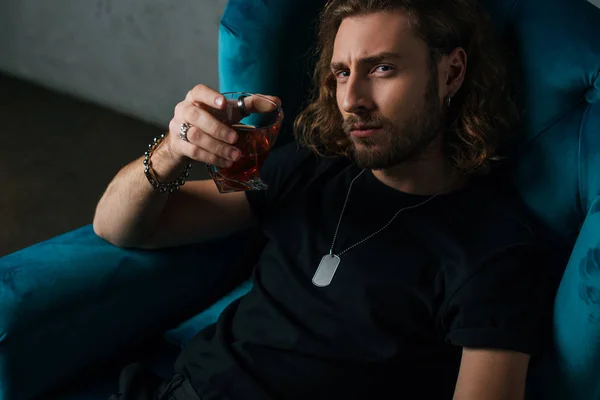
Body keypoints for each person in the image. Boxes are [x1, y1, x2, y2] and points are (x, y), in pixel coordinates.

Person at [94, 0, 554, 399]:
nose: (352, 98)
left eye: (382, 68)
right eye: (342, 72)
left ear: (450, 72)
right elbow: (118, 226)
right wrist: (174, 150)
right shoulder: (312, 168)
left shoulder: (494, 248)